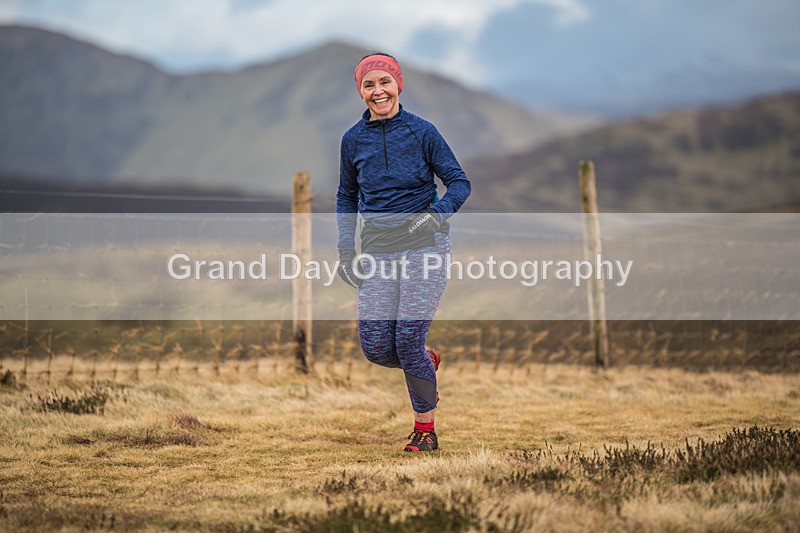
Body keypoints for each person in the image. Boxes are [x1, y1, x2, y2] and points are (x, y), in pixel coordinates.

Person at [336, 52, 471, 452]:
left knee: (408, 338)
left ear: (398, 84)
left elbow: (459, 182)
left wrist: (436, 215)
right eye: (368, 85)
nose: (378, 92)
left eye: (384, 82)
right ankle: (423, 363)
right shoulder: (352, 140)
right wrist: (346, 249)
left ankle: (425, 432)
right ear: (361, 91)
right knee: (377, 346)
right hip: (376, 250)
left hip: (424, 246)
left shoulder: (422, 132)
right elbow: (347, 195)